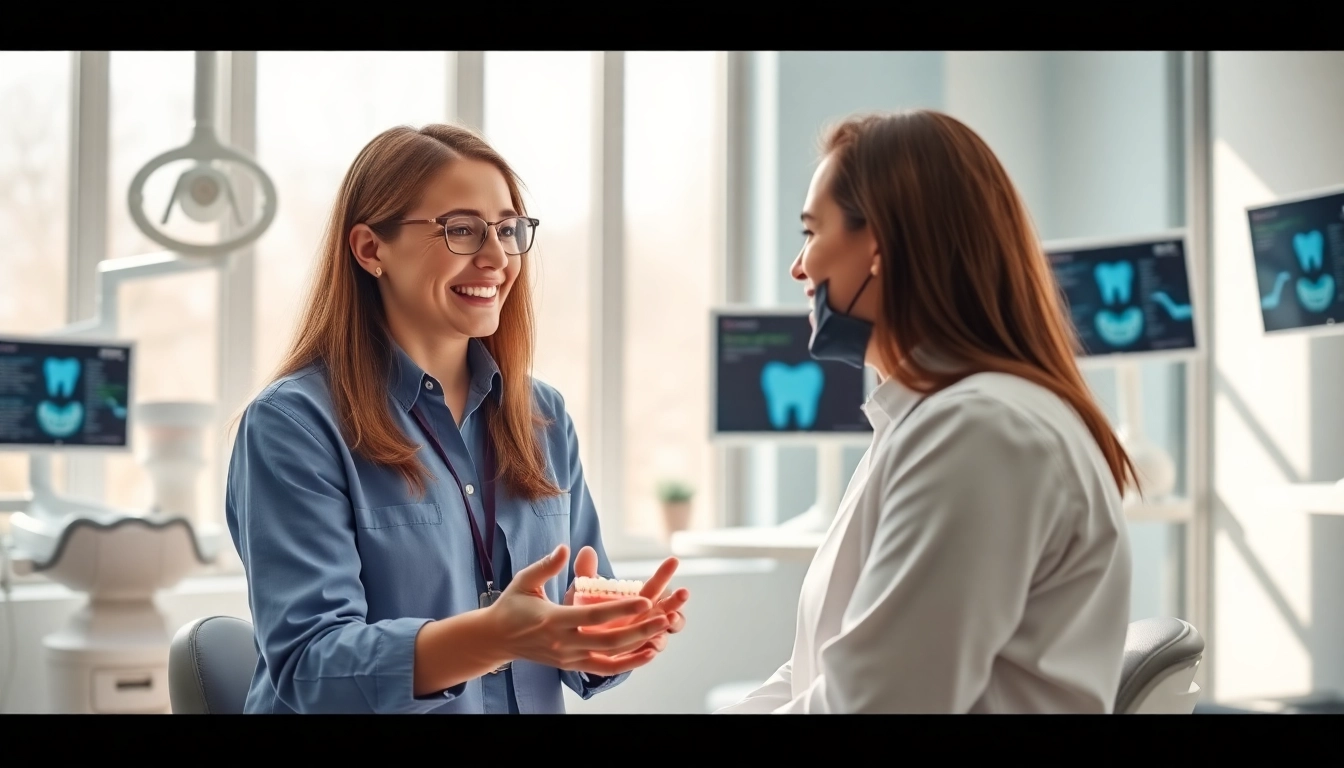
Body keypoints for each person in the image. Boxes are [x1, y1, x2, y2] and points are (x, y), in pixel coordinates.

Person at [225, 123, 688, 714]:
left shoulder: (541, 415)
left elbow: (568, 629)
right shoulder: (294, 425)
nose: (497, 257)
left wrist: (607, 635)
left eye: (507, 230)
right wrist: (496, 635)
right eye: (462, 230)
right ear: (371, 250)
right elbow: (313, 668)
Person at [716, 109, 1134, 714]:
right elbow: (827, 667)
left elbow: (879, 702)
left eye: (812, 232)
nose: (799, 267)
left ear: (879, 245)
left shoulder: (980, 432)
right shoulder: (923, 422)